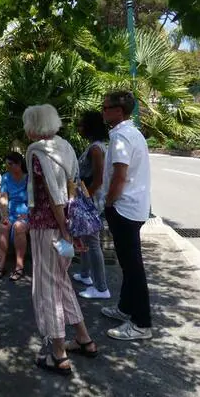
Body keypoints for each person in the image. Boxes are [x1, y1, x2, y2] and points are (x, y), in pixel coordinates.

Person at [23, 104, 97, 376]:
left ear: (33, 125)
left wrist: (64, 228)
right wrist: (70, 228)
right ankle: (83, 338)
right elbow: (73, 185)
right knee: (61, 280)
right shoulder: (64, 146)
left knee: (46, 288)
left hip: (48, 229)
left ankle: (58, 354)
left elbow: (55, 195)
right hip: (66, 226)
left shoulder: (37, 152)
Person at [101, 91, 153, 341]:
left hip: (124, 208)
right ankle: (125, 308)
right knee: (127, 263)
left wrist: (108, 203)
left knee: (132, 267)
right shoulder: (132, 133)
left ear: (118, 111)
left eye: (106, 107)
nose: (102, 111)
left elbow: (119, 175)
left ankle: (142, 323)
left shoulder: (122, 135)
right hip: (134, 207)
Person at [72, 111, 110, 299]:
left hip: (91, 201)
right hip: (88, 199)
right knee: (86, 240)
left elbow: (98, 179)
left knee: (93, 243)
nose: (78, 129)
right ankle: (86, 274)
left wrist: (86, 199)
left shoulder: (96, 149)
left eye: (81, 125)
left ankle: (101, 287)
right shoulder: (94, 147)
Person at [0, 151, 29, 281]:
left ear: (18, 164)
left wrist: (26, 215)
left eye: (10, 164)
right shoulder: (6, 177)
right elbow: (3, 198)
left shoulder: (28, 178)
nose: (7, 167)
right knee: (3, 226)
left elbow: (32, 202)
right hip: (11, 212)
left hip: (26, 213)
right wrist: (4, 215)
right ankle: (0, 265)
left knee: (19, 227)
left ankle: (19, 266)